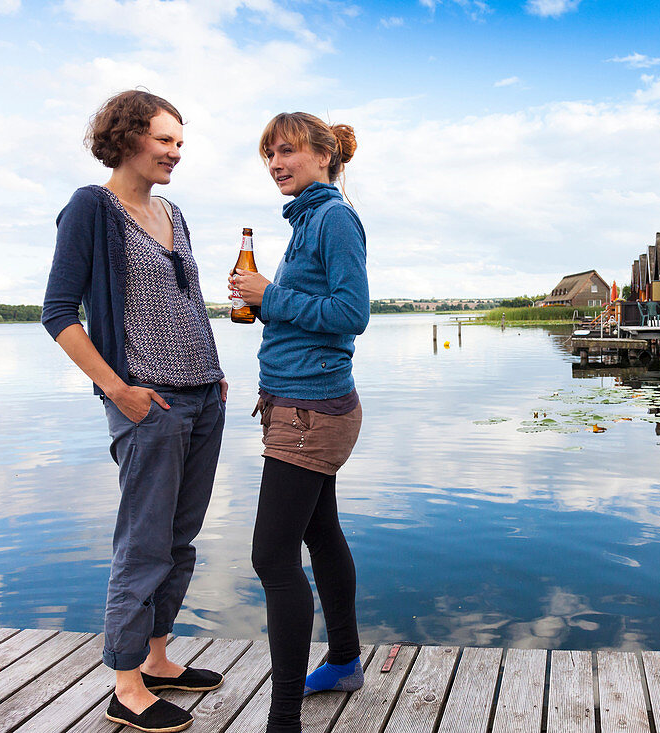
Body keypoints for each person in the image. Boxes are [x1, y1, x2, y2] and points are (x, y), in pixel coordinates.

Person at [42, 90, 228, 733]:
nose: (177, 153)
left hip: (204, 396)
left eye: (181, 142)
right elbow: (59, 313)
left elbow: (188, 302)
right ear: (126, 139)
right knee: (143, 543)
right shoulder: (92, 208)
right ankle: (125, 685)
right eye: (165, 140)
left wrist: (216, 370)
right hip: (149, 401)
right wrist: (115, 389)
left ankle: (157, 659)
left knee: (179, 539)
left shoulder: (173, 211)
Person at [230, 112, 369, 733]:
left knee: (271, 557)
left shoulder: (334, 218)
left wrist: (271, 295)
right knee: (322, 534)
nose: (276, 164)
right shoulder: (307, 218)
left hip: (310, 411)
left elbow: (350, 312)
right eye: (269, 155)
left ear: (323, 156)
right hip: (299, 402)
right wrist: (263, 304)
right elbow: (308, 311)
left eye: (286, 151)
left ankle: (284, 718)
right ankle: (342, 661)